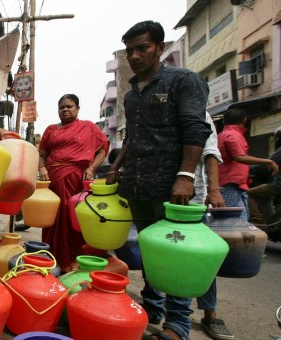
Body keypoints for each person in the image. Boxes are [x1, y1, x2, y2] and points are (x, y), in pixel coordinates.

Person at [106, 20, 213, 340]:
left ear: (160, 49)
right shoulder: (131, 93)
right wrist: (116, 167)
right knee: (150, 251)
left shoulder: (183, 81)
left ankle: (178, 323)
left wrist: (185, 176)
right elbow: (131, 139)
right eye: (130, 51)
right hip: (138, 183)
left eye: (143, 48)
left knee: (174, 253)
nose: (136, 56)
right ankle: (152, 306)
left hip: (172, 187)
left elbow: (196, 130)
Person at [38, 94, 108, 272]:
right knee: (53, 218)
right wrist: (42, 169)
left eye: (69, 106)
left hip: (76, 179)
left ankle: (73, 260)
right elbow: (42, 154)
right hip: (53, 179)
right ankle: (52, 257)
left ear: (77, 108)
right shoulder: (51, 130)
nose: (65, 110)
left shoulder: (88, 127)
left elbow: (103, 149)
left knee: (73, 218)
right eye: (61, 107)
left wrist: (91, 168)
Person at [191, 114, 233, 340]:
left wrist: (214, 190)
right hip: (160, 197)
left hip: (194, 199)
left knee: (201, 259)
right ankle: (159, 307)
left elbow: (210, 152)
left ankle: (210, 312)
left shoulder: (198, 110)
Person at [217, 108, 279, 220]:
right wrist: (268, 161)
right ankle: (259, 221)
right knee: (235, 221)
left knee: (237, 219)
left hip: (231, 182)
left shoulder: (223, 135)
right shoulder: (233, 135)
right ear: (244, 120)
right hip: (231, 183)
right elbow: (239, 157)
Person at [248, 127, 281, 239]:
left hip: (278, 186)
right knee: (266, 198)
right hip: (275, 185)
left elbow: (262, 167)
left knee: (250, 193)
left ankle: (259, 223)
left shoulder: (279, 152)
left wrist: (246, 169)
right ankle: (272, 225)